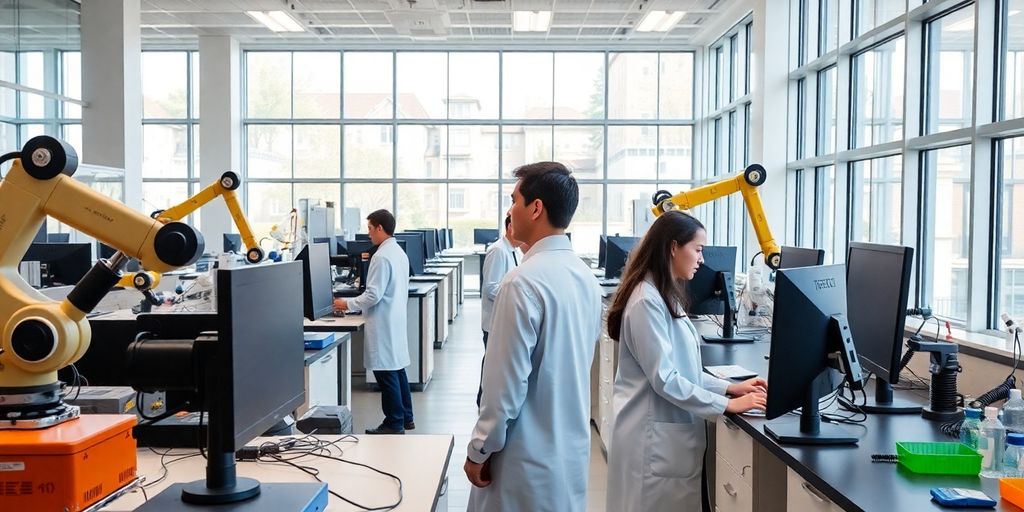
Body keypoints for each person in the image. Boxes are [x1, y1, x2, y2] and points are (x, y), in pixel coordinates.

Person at [604, 210, 767, 512]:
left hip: (662, 438)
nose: (702, 259)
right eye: (698, 249)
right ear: (673, 247)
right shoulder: (646, 301)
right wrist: (726, 406)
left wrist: (730, 389)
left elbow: (683, 369)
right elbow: (665, 378)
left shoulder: (664, 293)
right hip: (649, 442)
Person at [464, 162, 603, 512]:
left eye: (514, 200)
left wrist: (479, 450)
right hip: (567, 456)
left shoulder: (522, 282)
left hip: (522, 461)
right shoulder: (584, 278)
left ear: (536, 208)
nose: (510, 210)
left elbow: (503, 389)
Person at [334, 209, 414, 435]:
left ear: (380, 228)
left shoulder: (381, 256)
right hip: (394, 318)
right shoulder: (398, 252)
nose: (368, 234)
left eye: (370, 229)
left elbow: (373, 295)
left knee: (386, 373)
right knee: (397, 369)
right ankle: (406, 417)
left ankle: (393, 422)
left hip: (383, 321)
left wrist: (345, 304)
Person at [477, 214, 525, 407]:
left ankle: (487, 400)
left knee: (494, 363)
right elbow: (490, 287)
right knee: (491, 363)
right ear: (511, 227)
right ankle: (483, 401)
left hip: (503, 319)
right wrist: (515, 296)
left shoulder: (513, 251)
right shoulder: (498, 251)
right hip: (493, 321)